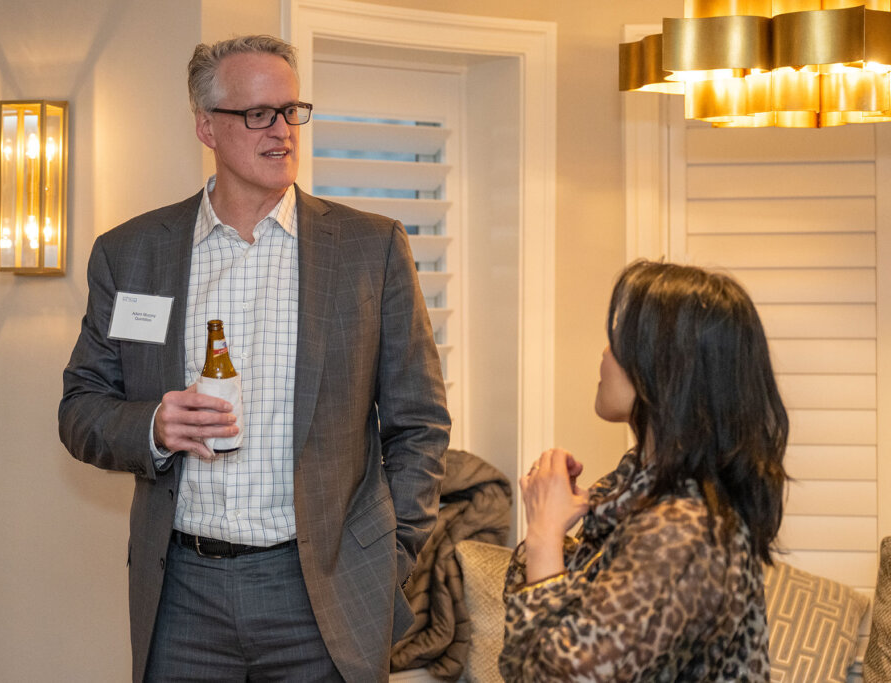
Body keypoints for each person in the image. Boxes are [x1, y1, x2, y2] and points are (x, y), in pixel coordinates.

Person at [58, 34, 450, 683]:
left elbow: (421, 425)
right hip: (182, 594)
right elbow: (81, 409)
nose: (282, 131)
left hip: (320, 595)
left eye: (292, 110)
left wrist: (383, 558)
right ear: (207, 126)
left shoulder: (369, 249)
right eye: (259, 114)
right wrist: (153, 426)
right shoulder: (132, 254)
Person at [500, 260, 788, 682]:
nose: (603, 353)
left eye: (619, 340)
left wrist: (545, 531)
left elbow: (554, 676)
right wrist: (553, 528)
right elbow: (525, 645)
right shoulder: (631, 492)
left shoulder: (687, 531)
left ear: (666, 369)